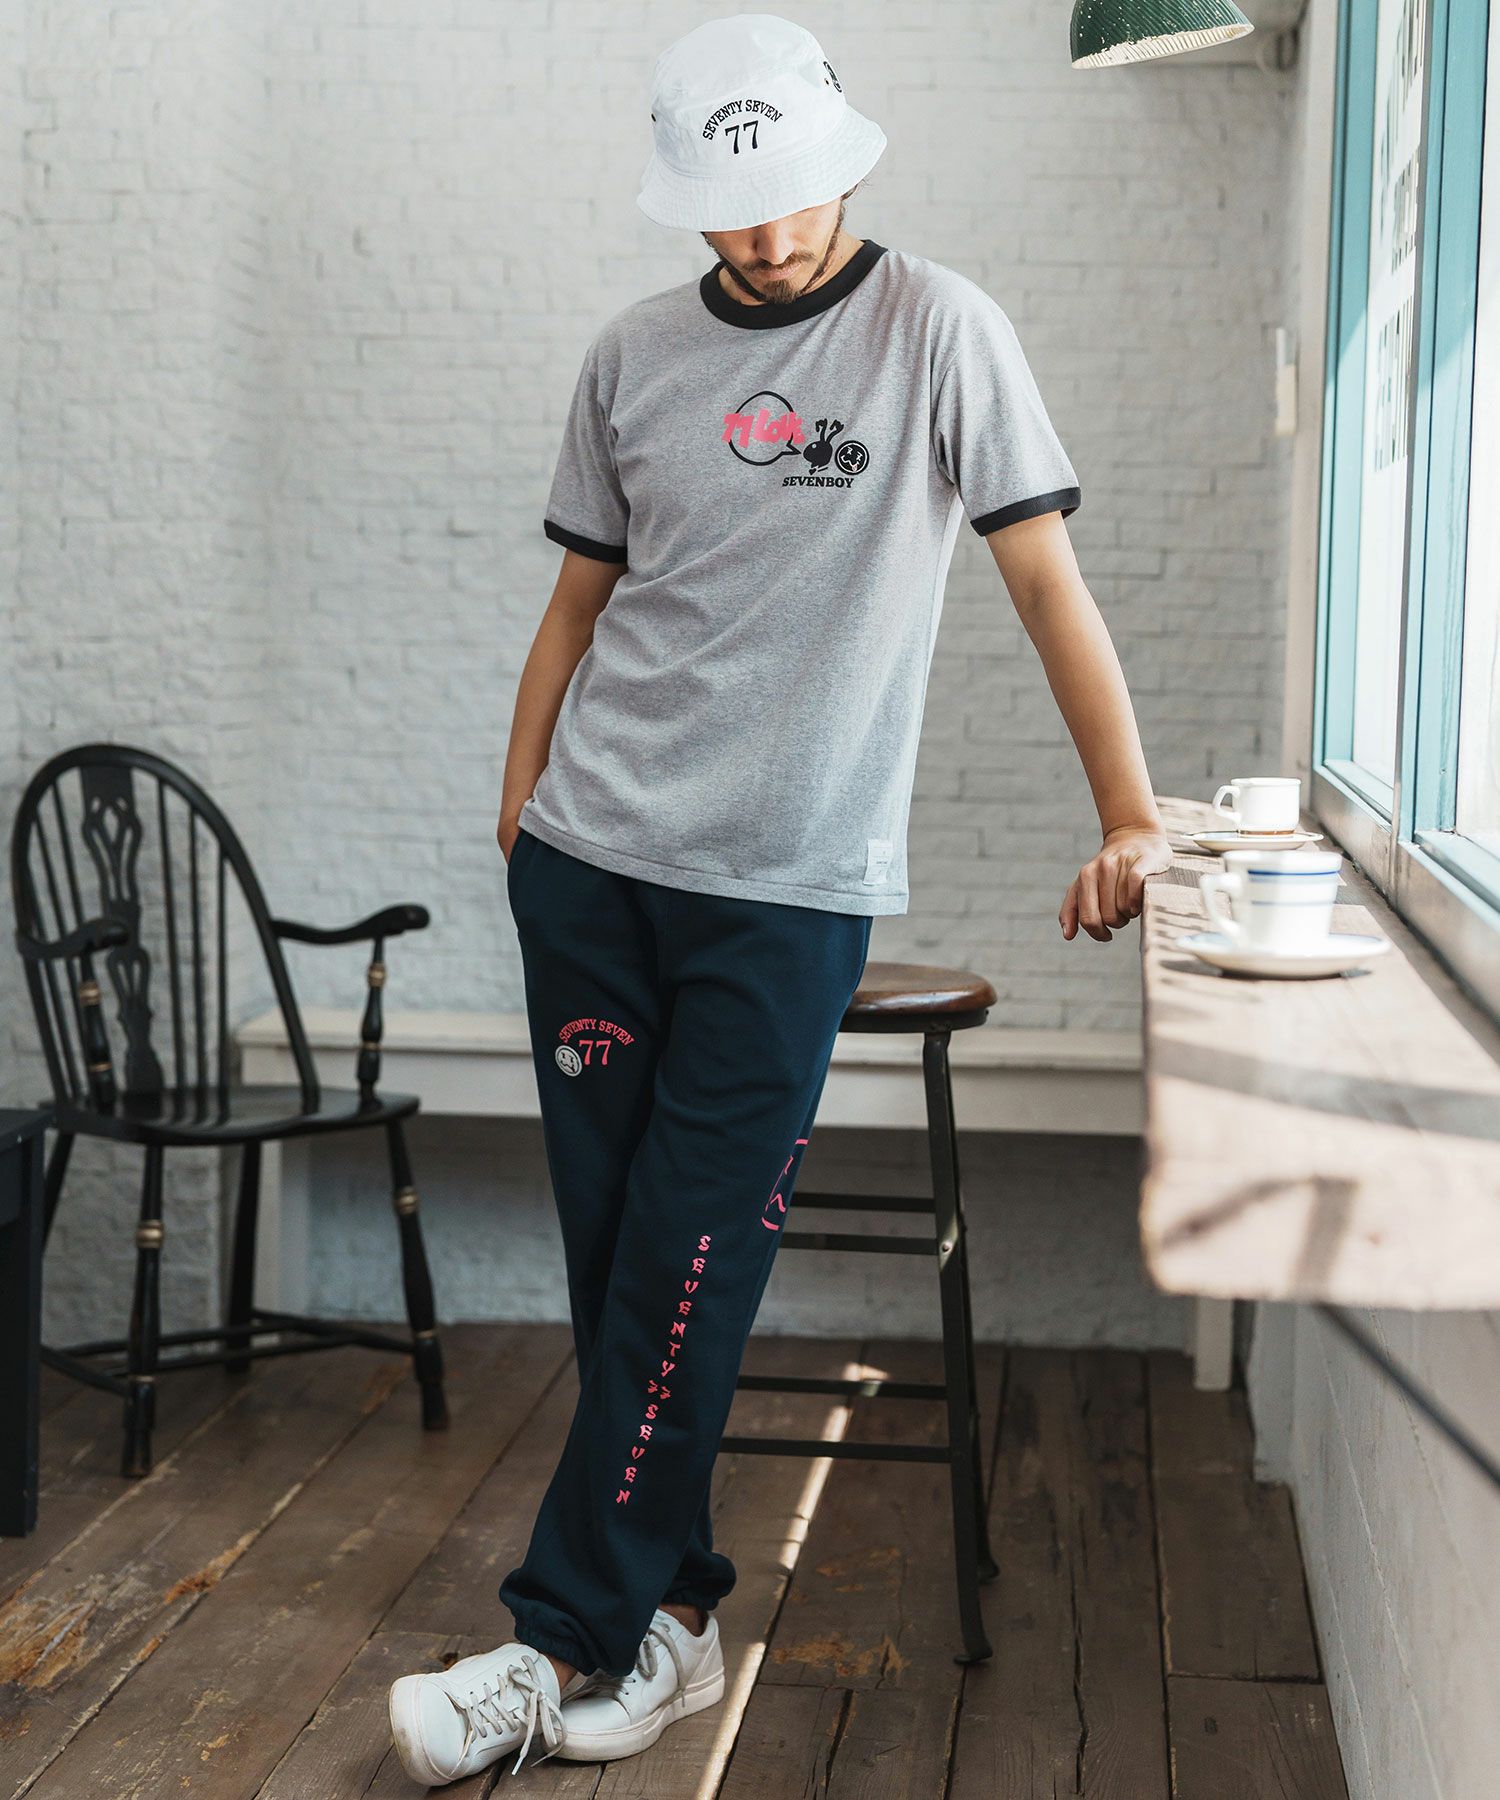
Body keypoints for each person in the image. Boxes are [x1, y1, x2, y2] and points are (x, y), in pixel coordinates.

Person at [388, 11, 1173, 1787]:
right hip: (593, 869)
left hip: (786, 893)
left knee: (691, 1260)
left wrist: (1130, 814)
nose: (766, 235)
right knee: (619, 1263)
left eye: (794, 194)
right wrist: (523, 814)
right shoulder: (631, 356)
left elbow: (1046, 585)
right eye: (728, 209)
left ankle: (554, 1642)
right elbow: (580, 609)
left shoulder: (940, 331)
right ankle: (671, 1624)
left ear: (849, 160)